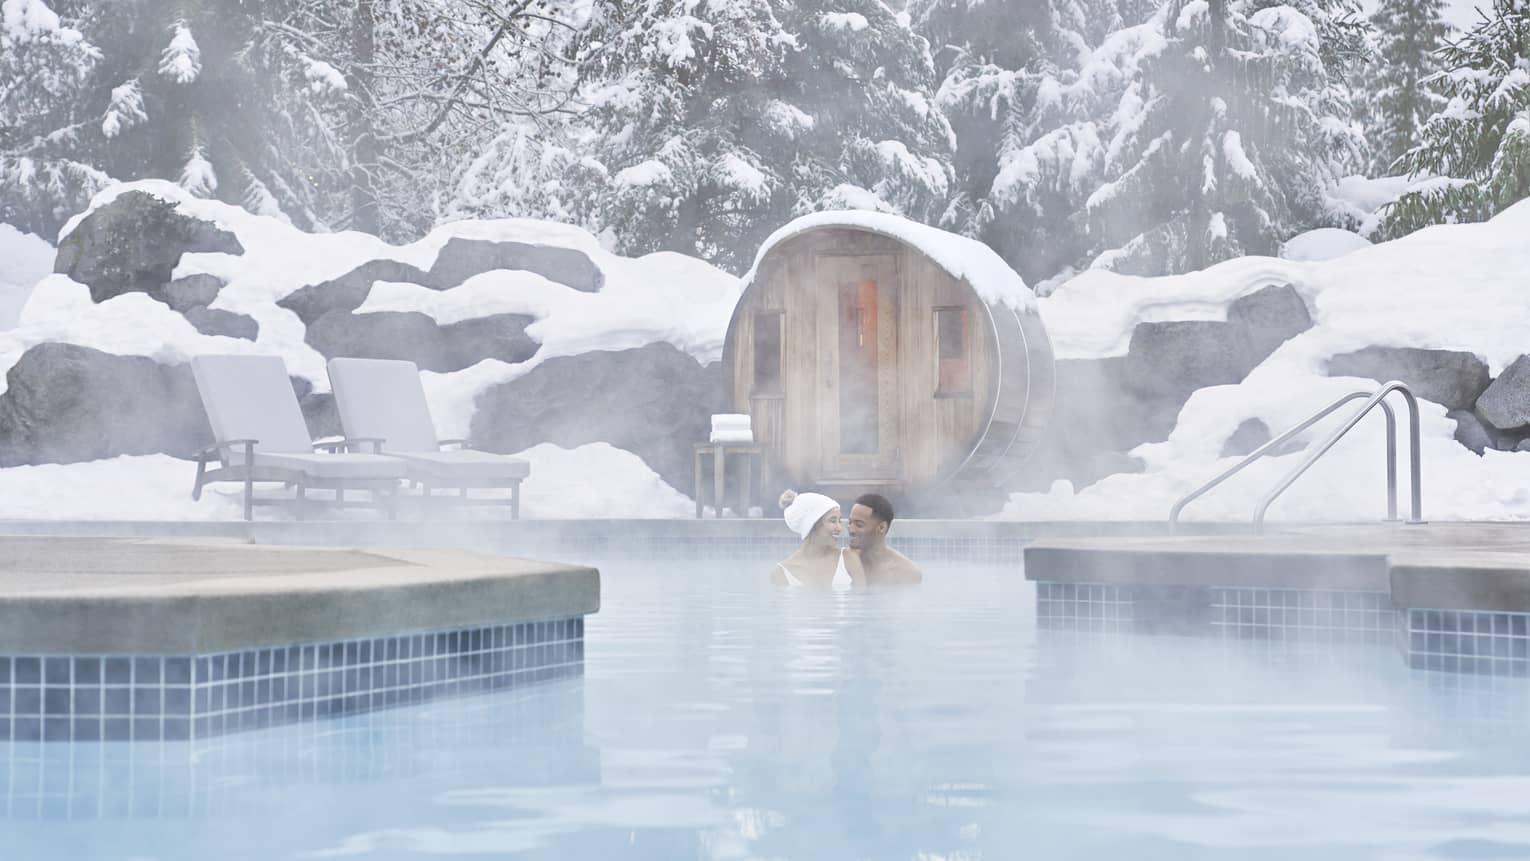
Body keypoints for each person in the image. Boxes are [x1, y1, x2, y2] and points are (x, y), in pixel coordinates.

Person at [771, 490, 864, 591]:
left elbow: (864, 598)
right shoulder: (782, 573)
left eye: (839, 521)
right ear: (812, 524)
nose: (839, 528)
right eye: (833, 521)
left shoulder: (849, 559)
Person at [847, 493, 922, 585]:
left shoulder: (907, 573)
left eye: (859, 525)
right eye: (850, 523)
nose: (851, 530)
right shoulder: (843, 562)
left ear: (881, 528)